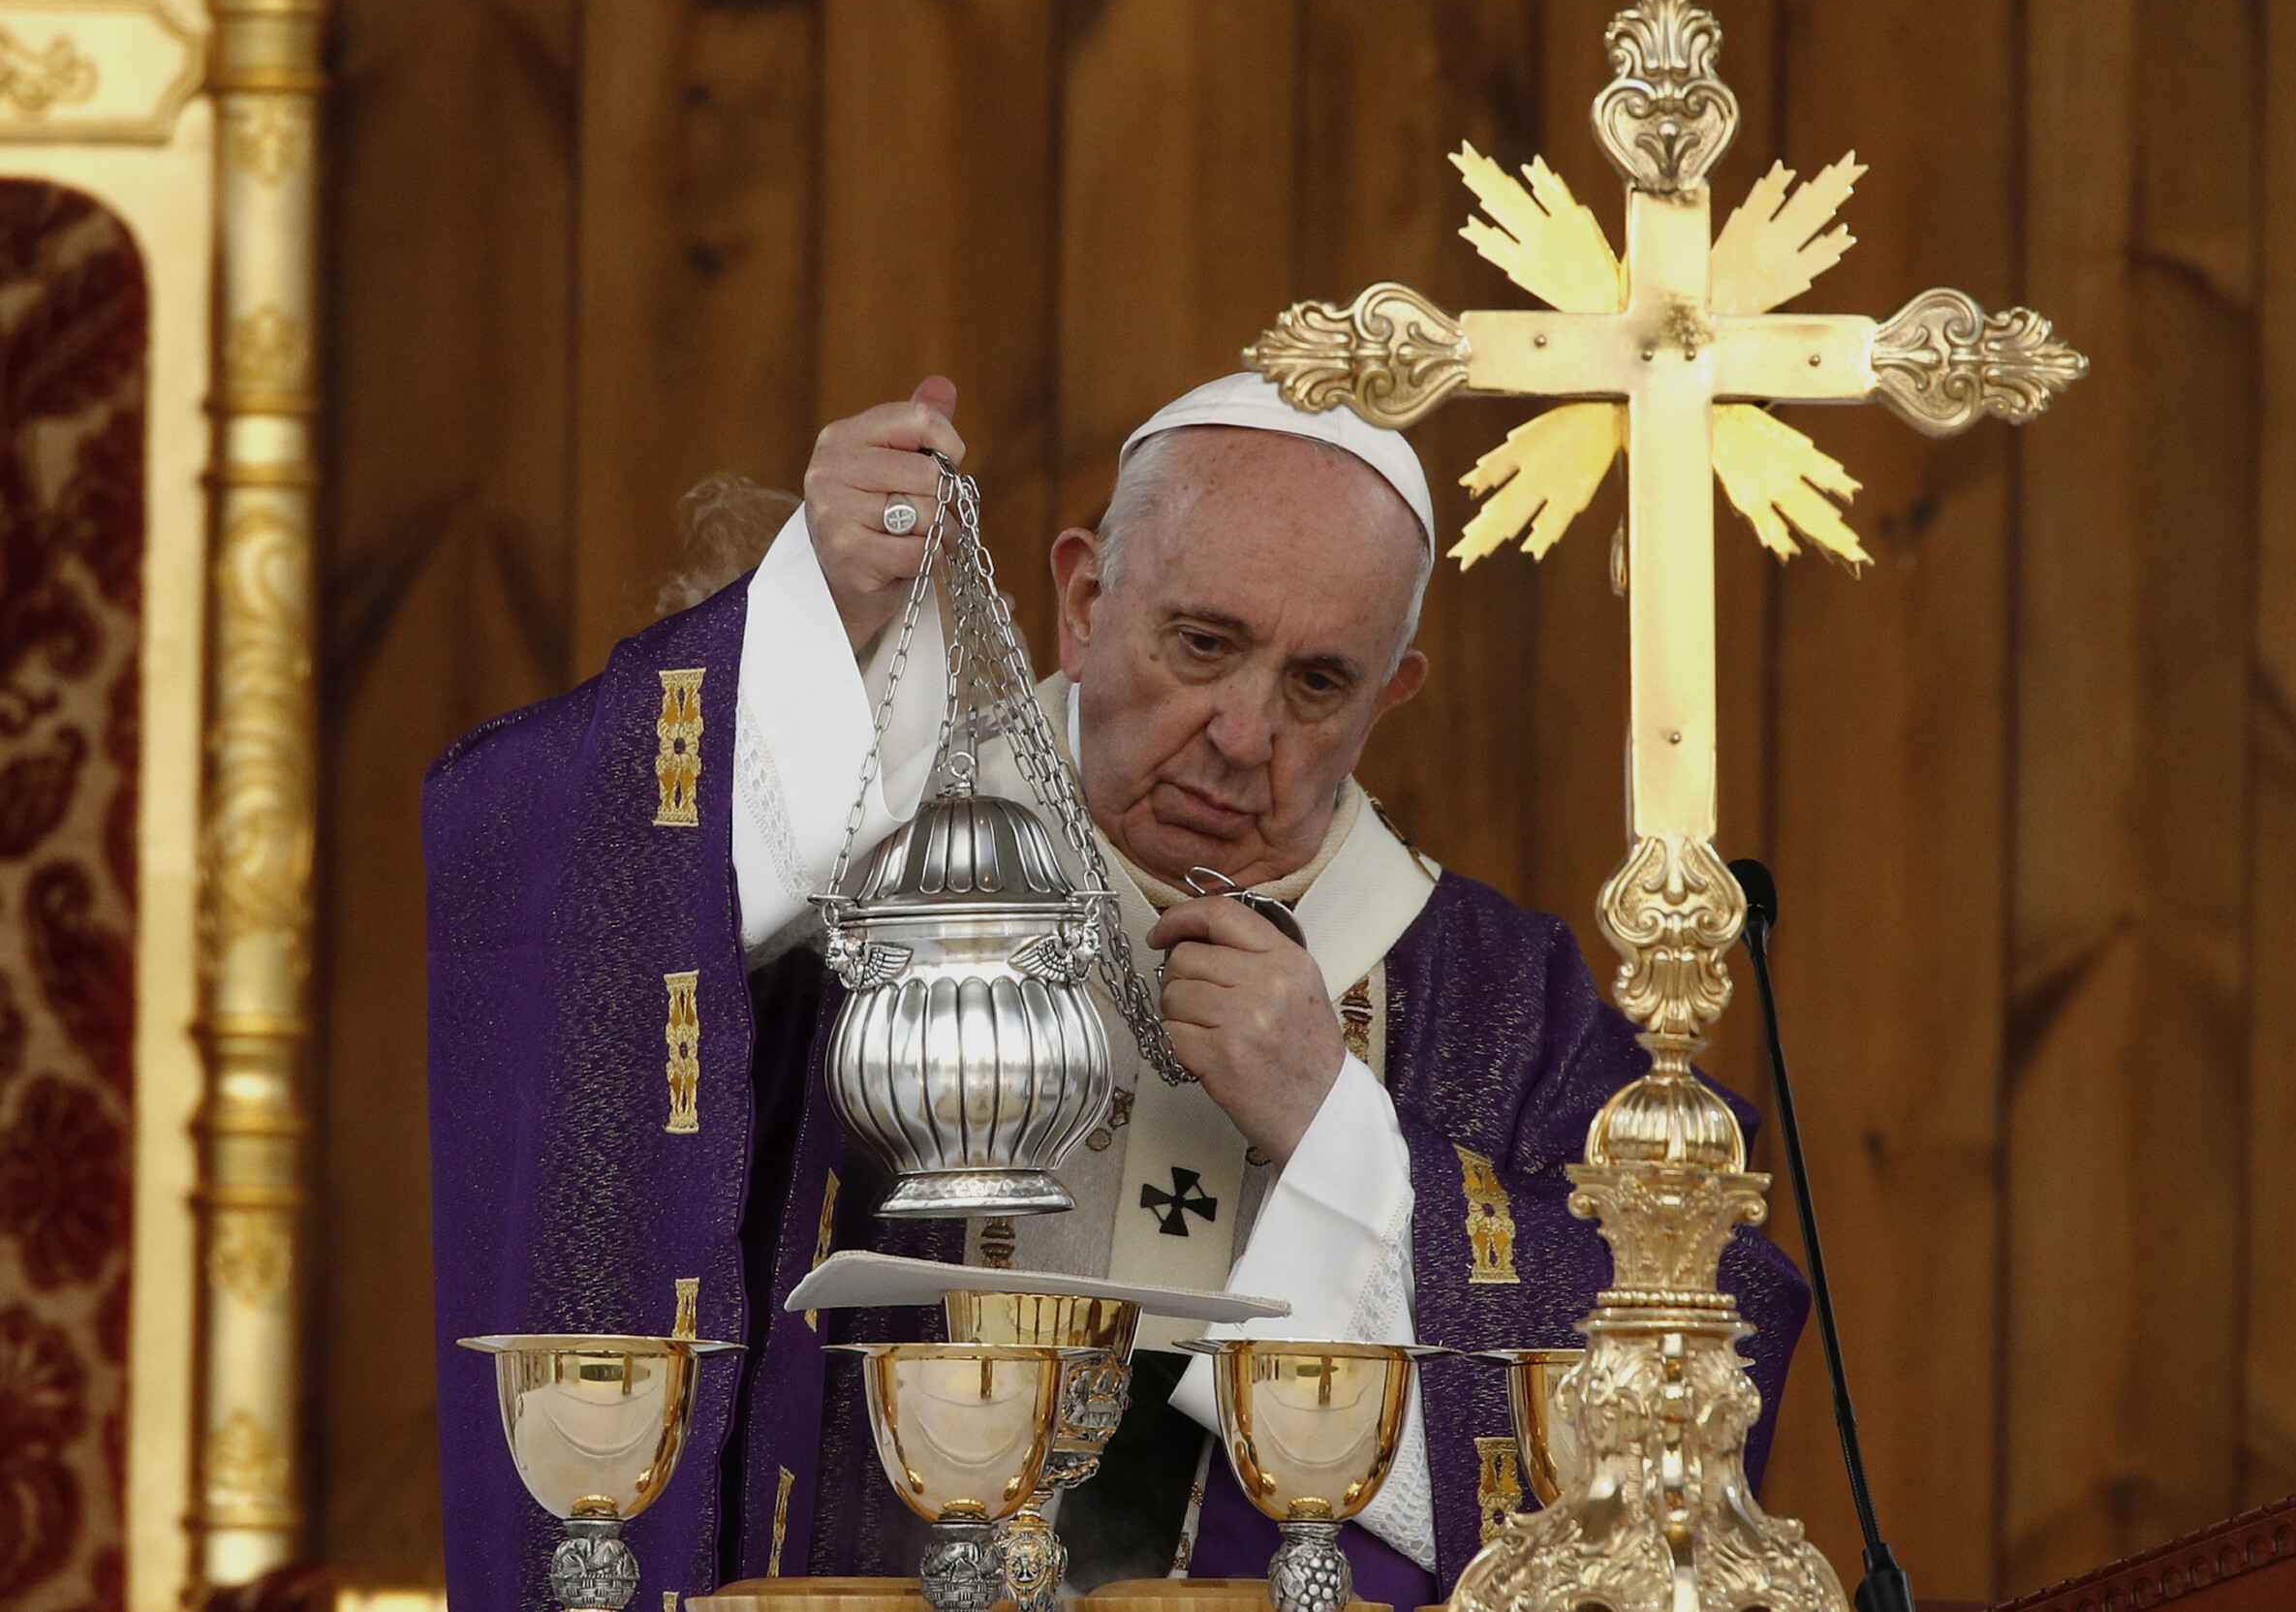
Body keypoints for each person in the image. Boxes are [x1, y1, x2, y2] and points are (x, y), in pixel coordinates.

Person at [426, 372, 1810, 1612]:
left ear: (1395, 694)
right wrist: (811, 615)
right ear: (1084, 601)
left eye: (1320, 681)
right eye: (1202, 644)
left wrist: (1336, 1130)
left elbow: (1704, 1372)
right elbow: (552, 877)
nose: (1246, 733)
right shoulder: (862, 858)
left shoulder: (1500, 993)